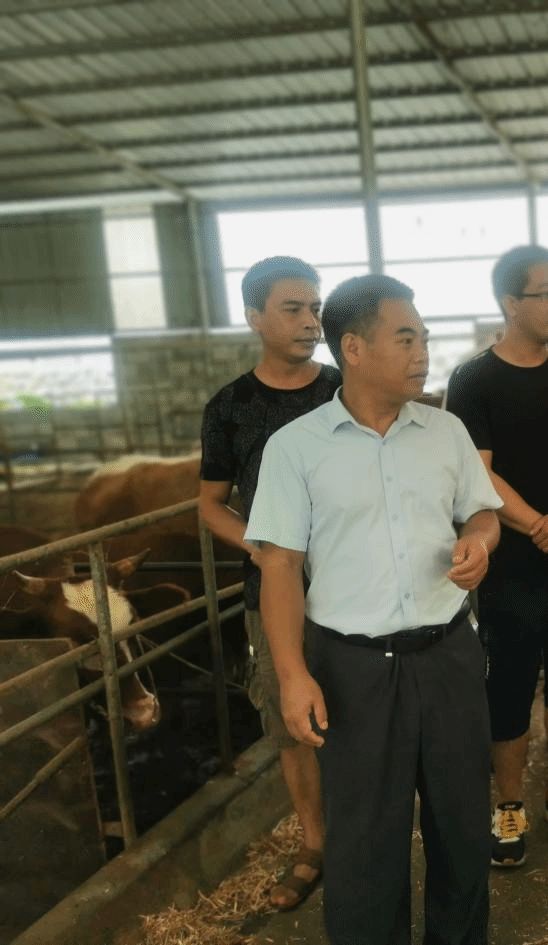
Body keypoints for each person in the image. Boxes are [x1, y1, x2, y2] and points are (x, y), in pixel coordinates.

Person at [245, 274, 502, 945]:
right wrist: (293, 674)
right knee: (364, 844)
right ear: (354, 347)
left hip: (447, 652)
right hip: (351, 668)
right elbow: (279, 566)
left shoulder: (445, 431)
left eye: (424, 337)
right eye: (406, 337)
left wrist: (479, 536)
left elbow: (480, 510)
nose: (423, 352)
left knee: (464, 828)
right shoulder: (296, 448)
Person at [445, 244, 548, 870]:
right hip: (511, 559)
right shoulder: (474, 381)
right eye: (547, 294)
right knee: (510, 679)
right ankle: (508, 804)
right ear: (510, 303)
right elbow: (477, 477)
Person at [198, 255, 339, 911]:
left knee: (368, 710)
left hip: (357, 586)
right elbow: (210, 503)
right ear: (254, 316)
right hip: (276, 594)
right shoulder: (230, 407)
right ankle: (314, 844)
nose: (311, 320)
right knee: (294, 725)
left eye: (316, 308)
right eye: (294, 308)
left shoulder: (347, 387)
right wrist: (262, 548)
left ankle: (368, 832)